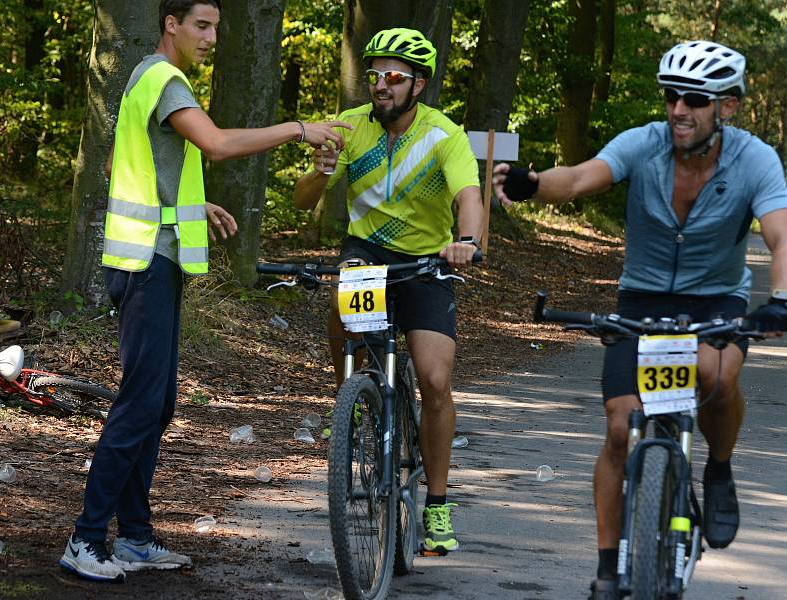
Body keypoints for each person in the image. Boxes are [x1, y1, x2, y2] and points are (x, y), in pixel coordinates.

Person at [492, 40, 787, 599]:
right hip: (642, 300)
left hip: (715, 301)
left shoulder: (754, 158)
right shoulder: (644, 144)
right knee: (617, 430)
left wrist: (781, 299)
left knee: (717, 376)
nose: (679, 109)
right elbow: (583, 178)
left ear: (726, 107)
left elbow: (782, 234)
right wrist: (533, 185)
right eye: (672, 97)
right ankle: (609, 570)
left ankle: (720, 468)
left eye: (695, 100)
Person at [60, 0, 350, 582]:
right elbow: (215, 144)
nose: (212, 37)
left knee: (157, 404)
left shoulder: (152, 78)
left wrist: (197, 205)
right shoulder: (165, 79)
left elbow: (143, 164)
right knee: (140, 403)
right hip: (146, 263)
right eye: (202, 25)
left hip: (154, 258)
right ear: (171, 23)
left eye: (216, 26)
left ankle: (136, 538)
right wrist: (298, 129)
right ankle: (86, 539)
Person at [293, 28, 483, 554]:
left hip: (427, 261)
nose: (382, 84)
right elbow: (301, 201)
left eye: (394, 76)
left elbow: (470, 196)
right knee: (341, 306)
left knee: (435, 378)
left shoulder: (444, 135)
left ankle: (438, 503)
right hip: (366, 253)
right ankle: (354, 398)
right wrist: (318, 172)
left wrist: (466, 241)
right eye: (375, 75)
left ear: (418, 85)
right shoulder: (348, 128)